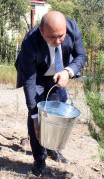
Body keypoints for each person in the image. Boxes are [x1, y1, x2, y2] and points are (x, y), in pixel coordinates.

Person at [15, 11, 86, 176]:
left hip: (59, 74)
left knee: (56, 111)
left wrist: (68, 72)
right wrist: (34, 117)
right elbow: (30, 83)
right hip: (36, 76)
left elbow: (81, 56)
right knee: (39, 116)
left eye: (61, 36)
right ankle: (39, 160)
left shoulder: (72, 27)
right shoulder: (30, 41)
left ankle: (53, 149)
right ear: (41, 31)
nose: (58, 40)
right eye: (52, 37)